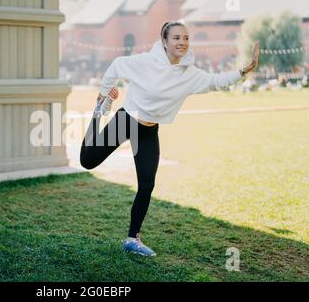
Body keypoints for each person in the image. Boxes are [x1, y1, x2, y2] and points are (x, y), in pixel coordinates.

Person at [80, 21, 260, 257]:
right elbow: (116, 66)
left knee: (147, 184)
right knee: (88, 161)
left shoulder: (190, 74)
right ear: (164, 42)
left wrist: (245, 69)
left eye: (185, 38)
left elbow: (216, 82)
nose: (182, 42)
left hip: (148, 130)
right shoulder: (145, 62)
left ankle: (132, 239)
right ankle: (96, 113)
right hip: (127, 120)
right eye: (176, 38)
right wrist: (103, 94)